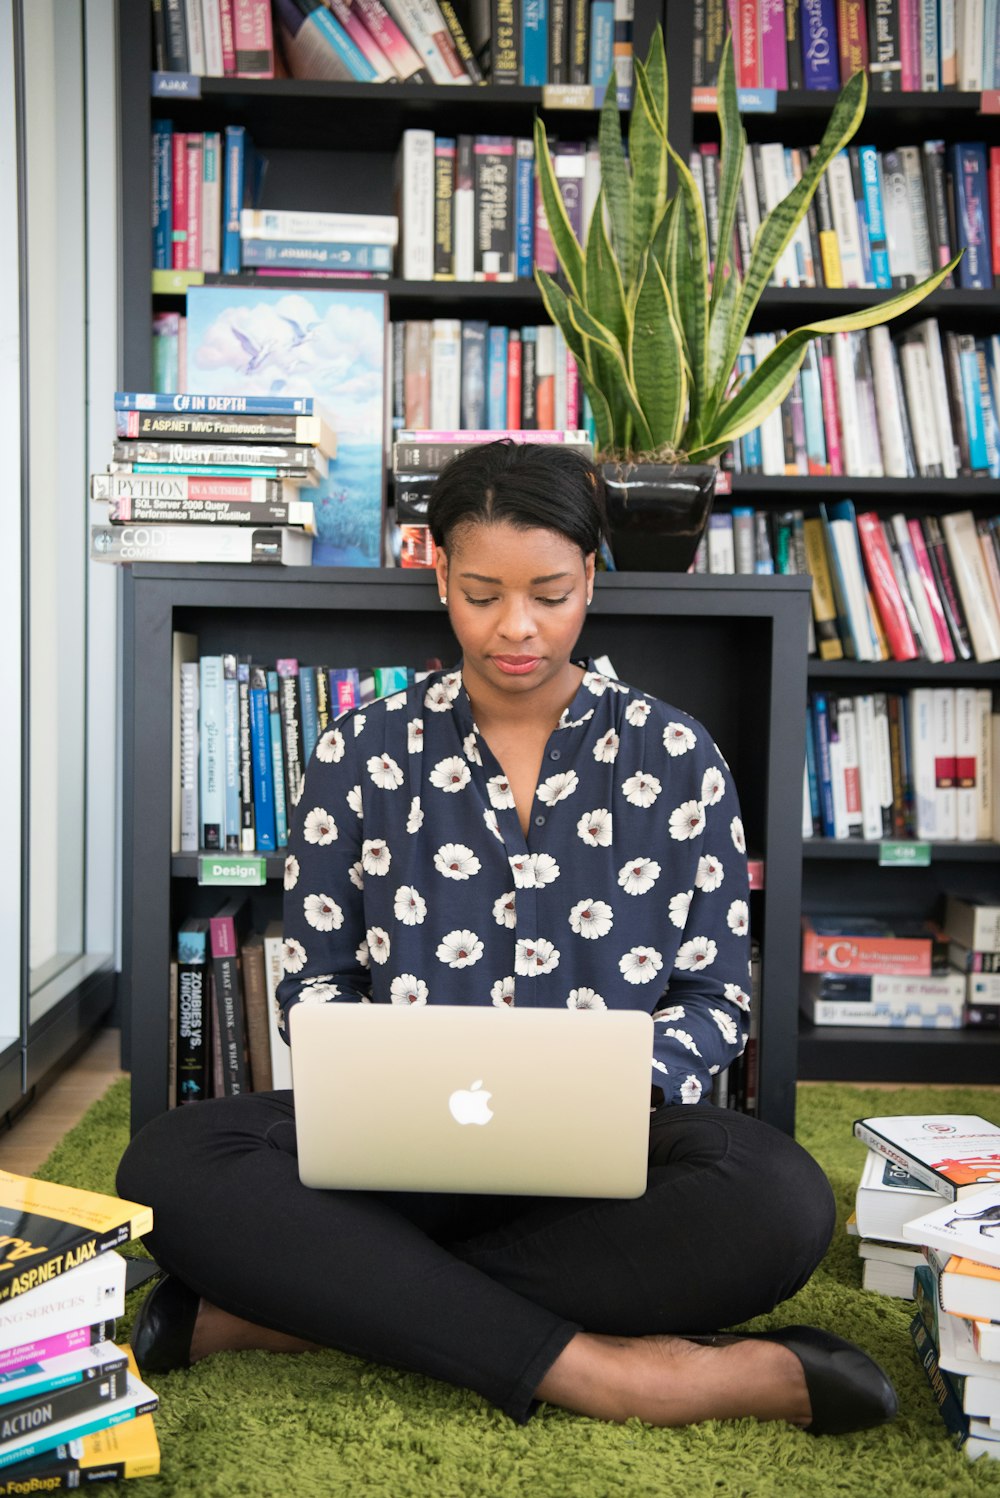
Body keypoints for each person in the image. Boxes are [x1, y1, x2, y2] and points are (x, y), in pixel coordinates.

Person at [118, 440, 897, 1436]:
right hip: (395, 1161)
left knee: (779, 1203)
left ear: (590, 579)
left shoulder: (677, 752)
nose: (517, 627)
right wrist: (377, 1074)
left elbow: (717, 999)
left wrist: (613, 1081)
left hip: (611, 1163)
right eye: (481, 592)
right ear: (436, 569)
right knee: (173, 1164)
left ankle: (299, 1307)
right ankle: (624, 1379)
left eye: (551, 592)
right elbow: (315, 977)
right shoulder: (357, 751)